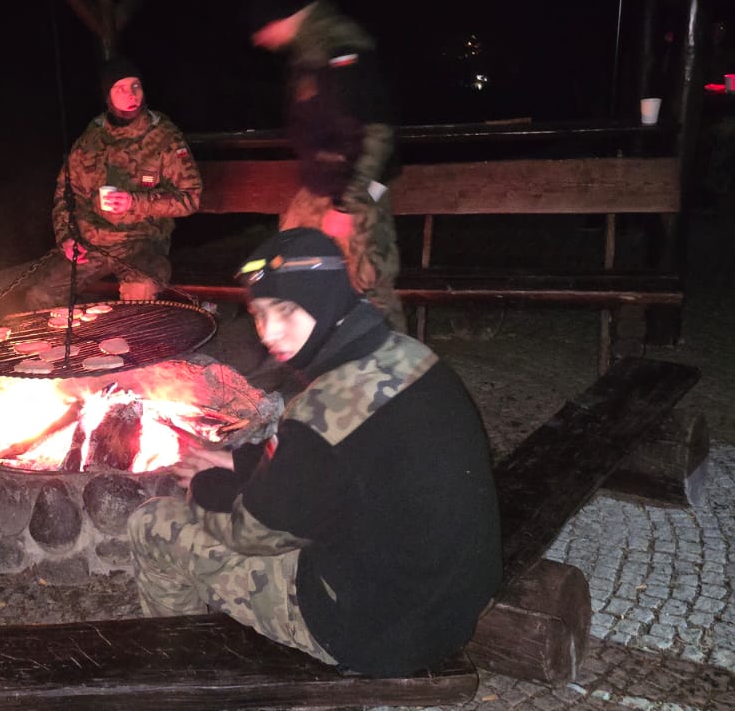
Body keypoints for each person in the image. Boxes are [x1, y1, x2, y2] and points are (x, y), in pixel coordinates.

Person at [129, 227, 501, 675]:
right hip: (452, 605)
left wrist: (206, 486)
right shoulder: (409, 355)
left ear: (325, 300)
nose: (269, 331)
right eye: (260, 313)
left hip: (374, 633)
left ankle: (180, 675)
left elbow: (252, 534)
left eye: (286, 310)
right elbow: (342, 464)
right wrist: (242, 461)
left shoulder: (323, 408)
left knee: (152, 523)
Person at [248, 0, 404, 330]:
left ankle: (396, 357)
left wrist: (345, 205)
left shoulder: (341, 49)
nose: (259, 40)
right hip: (321, 187)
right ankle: (313, 348)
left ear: (283, 17)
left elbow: (374, 133)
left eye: (262, 28)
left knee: (367, 285)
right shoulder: (309, 53)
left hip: (356, 189)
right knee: (292, 267)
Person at [24, 55, 201, 307]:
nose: (131, 95)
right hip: (91, 244)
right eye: (120, 88)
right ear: (107, 97)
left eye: (136, 86)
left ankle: (136, 333)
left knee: (139, 289)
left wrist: (134, 202)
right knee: (41, 295)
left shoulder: (164, 137)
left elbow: (190, 198)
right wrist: (67, 237)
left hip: (141, 242)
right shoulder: (91, 139)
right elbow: (66, 193)